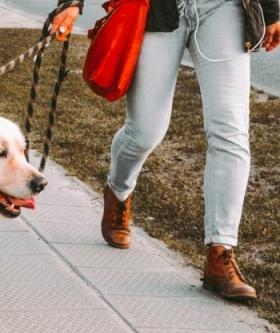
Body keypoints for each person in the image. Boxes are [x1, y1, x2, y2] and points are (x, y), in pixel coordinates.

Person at [51, 0, 279, 300]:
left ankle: (220, 251)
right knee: (144, 132)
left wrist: (272, 11)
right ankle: (118, 189)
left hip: (224, 8)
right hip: (159, 8)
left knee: (231, 132)